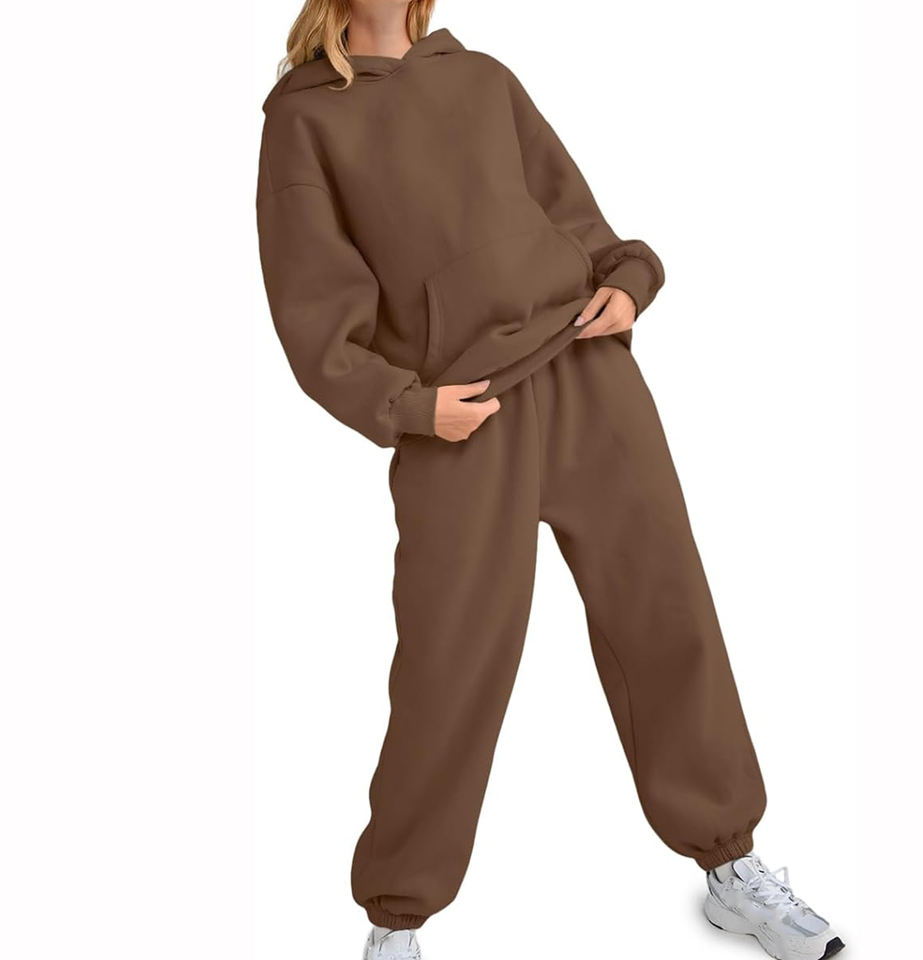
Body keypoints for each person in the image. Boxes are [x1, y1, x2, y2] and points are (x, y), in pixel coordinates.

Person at [256, 2, 845, 958]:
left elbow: (578, 222)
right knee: (449, 665)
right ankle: (396, 920)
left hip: (587, 375)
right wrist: (409, 406)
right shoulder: (304, 117)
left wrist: (626, 283)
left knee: (666, 617)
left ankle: (730, 867)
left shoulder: (484, 79)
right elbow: (310, 307)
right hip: (462, 415)